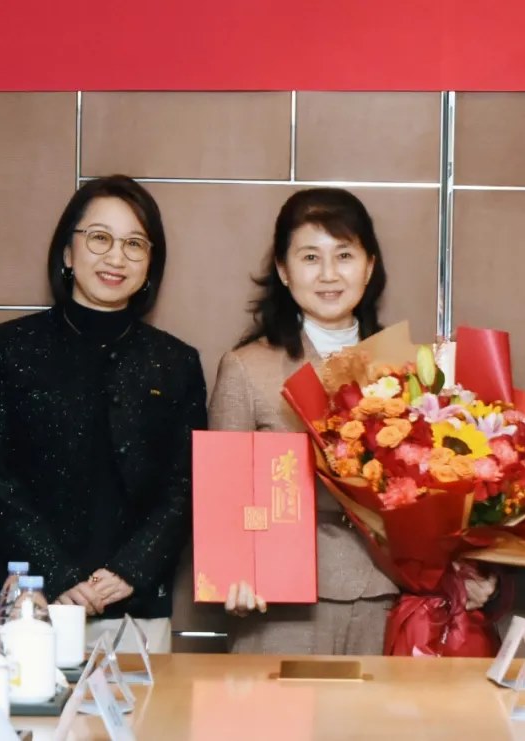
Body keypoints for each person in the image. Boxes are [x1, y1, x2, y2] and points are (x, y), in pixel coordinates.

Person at [209, 187, 494, 654]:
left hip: (390, 596)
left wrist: (464, 566)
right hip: (280, 602)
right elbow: (224, 495)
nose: (328, 274)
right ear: (283, 270)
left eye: (344, 255)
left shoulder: (410, 369)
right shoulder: (247, 368)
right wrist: (231, 575)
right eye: (310, 257)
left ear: (369, 266)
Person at [0, 175, 207, 653]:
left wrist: (130, 570)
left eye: (134, 244)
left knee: (143, 705)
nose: (116, 257)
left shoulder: (176, 362)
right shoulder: (8, 349)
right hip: (30, 602)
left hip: (134, 604)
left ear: (150, 263)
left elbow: (185, 483)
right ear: (68, 253)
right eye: (99, 238)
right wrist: (59, 574)